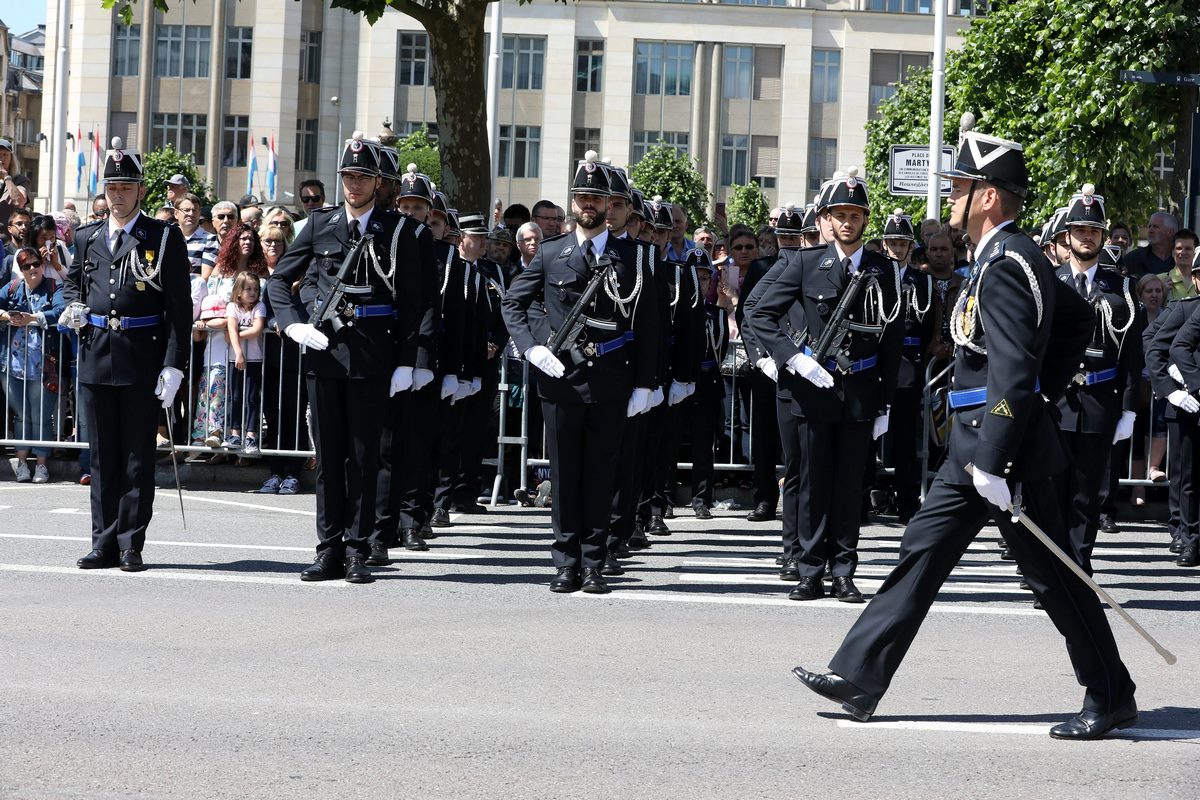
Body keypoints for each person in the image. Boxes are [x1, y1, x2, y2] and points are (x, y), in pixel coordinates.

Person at [792, 127, 1138, 741]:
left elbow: (1012, 367)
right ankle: (860, 676)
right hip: (975, 447)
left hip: (1004, 454)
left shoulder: (1007, 264)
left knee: (1053, 576)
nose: (951, 198)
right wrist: (1039, 397)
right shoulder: (1009, 257)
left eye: (959, 187)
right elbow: (1076, 321)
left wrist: (1003, 449)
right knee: (921, 549)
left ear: (987, 197)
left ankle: (1111, 694)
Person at [267, 132, 435, 584]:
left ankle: (359, 548)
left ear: (379, 182)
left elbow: (417, 302)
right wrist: (293, 323)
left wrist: (410, 361)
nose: (353, 184)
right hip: (324, 353)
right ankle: (328, 549)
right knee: (329, 460)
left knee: (362, 459)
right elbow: (279, 280)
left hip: (373, 355)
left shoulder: (401, 231)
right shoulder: (318, 225)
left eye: (362, 176)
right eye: (347, 176)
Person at [502, 151, 658, 594]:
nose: (588, 204)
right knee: (565, 475)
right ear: (573, 203)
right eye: (581, 197)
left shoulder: (637, 257)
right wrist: (533, 348)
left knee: (602, 474)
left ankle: (594, 561)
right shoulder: (552, 253)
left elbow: (650, 326)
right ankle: (566, 561)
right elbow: (515, 303)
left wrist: (646, 384)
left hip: (612, 377)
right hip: (561, 380)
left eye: (596, 197)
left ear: (611, 204)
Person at [747, 167, 901, 603]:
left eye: (855, 215)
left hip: (861, 392)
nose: (848, 222)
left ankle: (844, 571)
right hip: (814, 390)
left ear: (865, 220)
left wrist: (886, 402)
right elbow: (759, 314)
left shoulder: (884, 270)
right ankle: (811, 570)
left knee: (850, 487)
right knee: (814, 485)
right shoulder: (805, 263)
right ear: (826, 220)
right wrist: (792, 358)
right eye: (840, 215)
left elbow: (891, 340)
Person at [61, 137, 192, 572]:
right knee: (103, 457)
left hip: (142, 357)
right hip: (97, 354)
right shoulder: (88, 236)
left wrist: (173, 364)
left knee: (137, 457)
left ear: (141, 191)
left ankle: (131, 542)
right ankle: (102, 542)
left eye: (126, 187)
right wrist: (72, 304)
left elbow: (179, 308)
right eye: (112, 187)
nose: (118, 195)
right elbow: (73, 282)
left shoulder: (163, 237)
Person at [879, 208, 934, 523]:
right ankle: (862, 497)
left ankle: (907, 502)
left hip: (908, 363)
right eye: (893, 243)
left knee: (904, 437)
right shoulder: (873, 275)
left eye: (903, 243)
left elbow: (928, 326)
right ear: (884, 244)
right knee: (867, 435)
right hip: (876, 364)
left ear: (911, 246)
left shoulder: (922, 280)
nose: (898, 248)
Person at [1, 246, 66, 483]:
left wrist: (34, 318)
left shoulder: (53, 286)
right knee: (21, 416)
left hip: (44, 364)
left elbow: (61, 311)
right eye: (26, 266)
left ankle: (41, 465)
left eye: (35, 264)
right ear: (20, 269)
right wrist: (6, 316)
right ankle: (21, 464)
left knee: (41, 416)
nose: (32, 269)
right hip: (13, 363)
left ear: (42, 265)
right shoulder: (13, 287)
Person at [225, 271, 267, 453]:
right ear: (239, 291)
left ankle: (251, 436)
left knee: (252, 398)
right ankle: (235, 433)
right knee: (235, 396)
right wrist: (239, 353)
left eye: (256, 289)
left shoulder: (260, 306)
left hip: (255, 359)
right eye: (248, 289)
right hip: (234, 358)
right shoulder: (232, 307)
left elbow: (256, 330)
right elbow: (231, 328)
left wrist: (235, 335)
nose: (252, 292)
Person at [175, 193, 218, 276]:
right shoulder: (168, 238)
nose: (191, 214)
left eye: (194, 210)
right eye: (186, 210)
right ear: (176, 213)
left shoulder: (210, 239)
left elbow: (205, 276)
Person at [1125, 211, 1177, 279]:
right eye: (1149, 226)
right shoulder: (1133, 259)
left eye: (1155, 227)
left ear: (1170, 232)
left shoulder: (1183, 260)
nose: (1150, 230)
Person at [1158, 229, 1199, 304]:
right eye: (1179, 248)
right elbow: (1147, 309)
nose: (1183, 252)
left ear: (1196, 253)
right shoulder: (1158, 281)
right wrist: (1159, 293)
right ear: (1172, 252)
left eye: (1188, 249)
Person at [0, 138, 32, 229]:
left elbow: (19, 202)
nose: (1, 159)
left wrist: (6, 177)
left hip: (7, 235)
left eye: (5, 155)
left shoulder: (20, 180)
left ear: (11, 159)